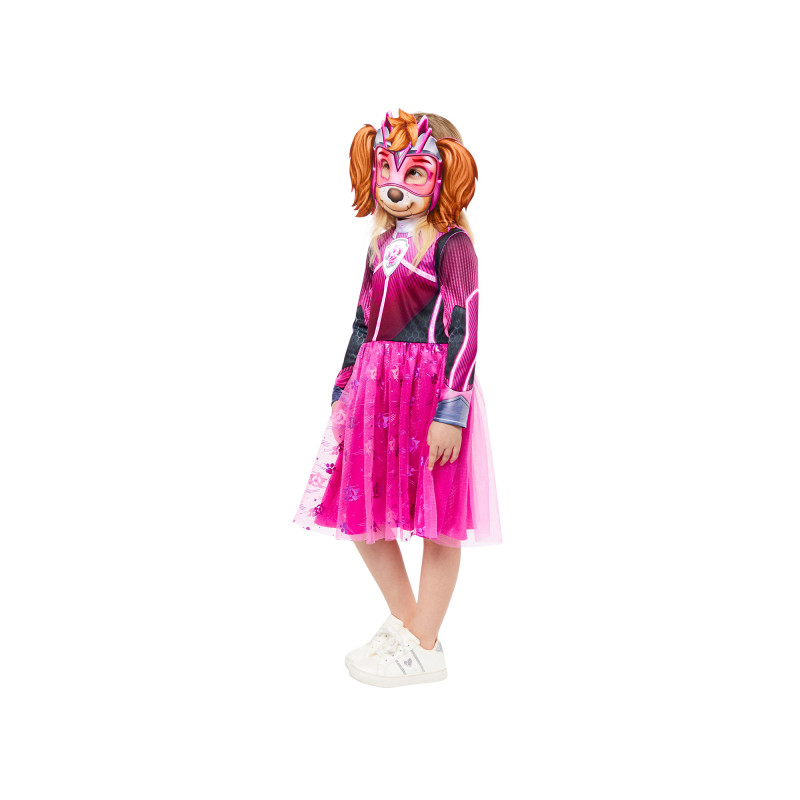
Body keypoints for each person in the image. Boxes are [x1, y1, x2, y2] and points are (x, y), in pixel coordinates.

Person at [293, 109, 502, 687]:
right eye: (388, 168)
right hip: (377, 388)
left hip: (431, 389)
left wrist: (452, 408)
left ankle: (424, 642)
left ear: (443, 174)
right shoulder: (380, 246)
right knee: (362, 506)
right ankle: (410, 625)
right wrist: (344, 387)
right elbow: (362, 321)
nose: (396, 183)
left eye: (414, 171)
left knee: (438, 516)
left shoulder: (453, 246)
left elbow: (465, 327)